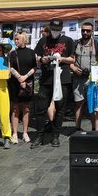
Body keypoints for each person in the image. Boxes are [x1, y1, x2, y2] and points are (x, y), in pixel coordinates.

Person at [32, 19, 75, 148]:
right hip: (46, 79)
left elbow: (72, 59)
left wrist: (61, 58)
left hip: (62, 79)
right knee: (40, 108)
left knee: (60, 108)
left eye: (57, 30)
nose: (55, 32)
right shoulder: (43, 40)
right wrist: (42, 59)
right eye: (53, 29)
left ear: (61, 29)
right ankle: (40, 135)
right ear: (49, 28)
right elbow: (36, 56)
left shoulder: (68, 41)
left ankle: (55, 135)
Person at [8, 32, 37, 143]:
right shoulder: (12, 53)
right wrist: (19, 77)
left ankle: (25, 132)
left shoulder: (31, 52)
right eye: (15, 39)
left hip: (28, 82)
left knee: (26, 108)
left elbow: (34, 67)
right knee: (15, 108)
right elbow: (10, 67)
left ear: (24, 40)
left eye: (18, 39)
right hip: (15, 83)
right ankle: (14, 133)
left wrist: (25, 77)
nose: (16, 41)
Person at [70, 20, 98, 130]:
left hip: (92, 78)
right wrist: (73, 67)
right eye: (83, 30)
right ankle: (77, 128)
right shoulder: (76, 43)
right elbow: (71, 59)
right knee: (78, 103)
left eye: (88, 30)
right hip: (78, 78)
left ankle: (94, 129)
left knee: (92, 104)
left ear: (92, 31)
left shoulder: (96, 43)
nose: (85, 32)